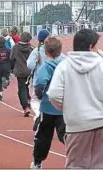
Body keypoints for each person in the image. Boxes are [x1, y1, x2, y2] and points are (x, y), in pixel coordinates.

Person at [48, 29, 103, 169]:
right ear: (90, 46)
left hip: (76, 125)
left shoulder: (64, 67)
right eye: (96, 46)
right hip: (100, 124)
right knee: (98, 165)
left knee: (75, 165)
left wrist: (68, 108)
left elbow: (53, 94)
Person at [30, 36, 66, 169]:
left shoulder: (46, 67)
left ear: (45, 51)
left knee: (43, 137)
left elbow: (39, 84)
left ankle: (38, 163)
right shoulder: (66, 65)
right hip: (64, 107)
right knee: (65, 134)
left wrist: (39, 96)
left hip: (48, 107)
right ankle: (76, 157)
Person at [27, 29, 66, 131]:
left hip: (39, 80)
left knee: (35, 100)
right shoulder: (59, 54)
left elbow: (29, 65)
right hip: (55, 81)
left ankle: (38, 114)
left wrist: (37, 64)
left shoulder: (36, 51)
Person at [10, 32, 34, 117]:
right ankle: (28, 99)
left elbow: (12, 59)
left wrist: (12, 69)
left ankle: (26, 107)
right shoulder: (32, 48)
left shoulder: (15, 47)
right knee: (26, 86)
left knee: (21, 89)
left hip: (20, 71)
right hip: (29, 71)